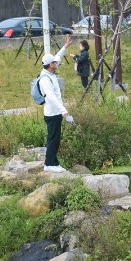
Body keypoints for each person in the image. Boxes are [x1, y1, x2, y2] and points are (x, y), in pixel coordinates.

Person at [38, 34, 74, 172]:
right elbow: (51, 98)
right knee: (53, 139)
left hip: (56, 112)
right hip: (52, 113)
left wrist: (65, 47)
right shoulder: (45, 79)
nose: (57, 63)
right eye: (55, 62)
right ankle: (49, 164)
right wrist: (63, 110)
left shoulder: (49, 71)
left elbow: (58, 56)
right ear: (51, 65)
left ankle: (54, 162)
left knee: (56, 138)